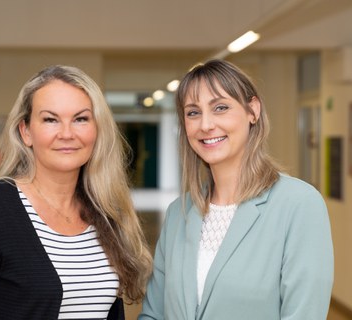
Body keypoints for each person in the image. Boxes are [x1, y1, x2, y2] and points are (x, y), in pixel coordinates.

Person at [0, 65, 152, 320]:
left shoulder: (105, 211)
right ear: (26, 131)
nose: (66, 133)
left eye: (80, 119)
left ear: (97, 130)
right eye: (50, 119)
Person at [139, 59, 334, 319]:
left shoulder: (299, 204)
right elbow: (154, 313)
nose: (206, 125)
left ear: (252, 110)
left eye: (220, 107)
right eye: (193, 112)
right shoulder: (179, 213)